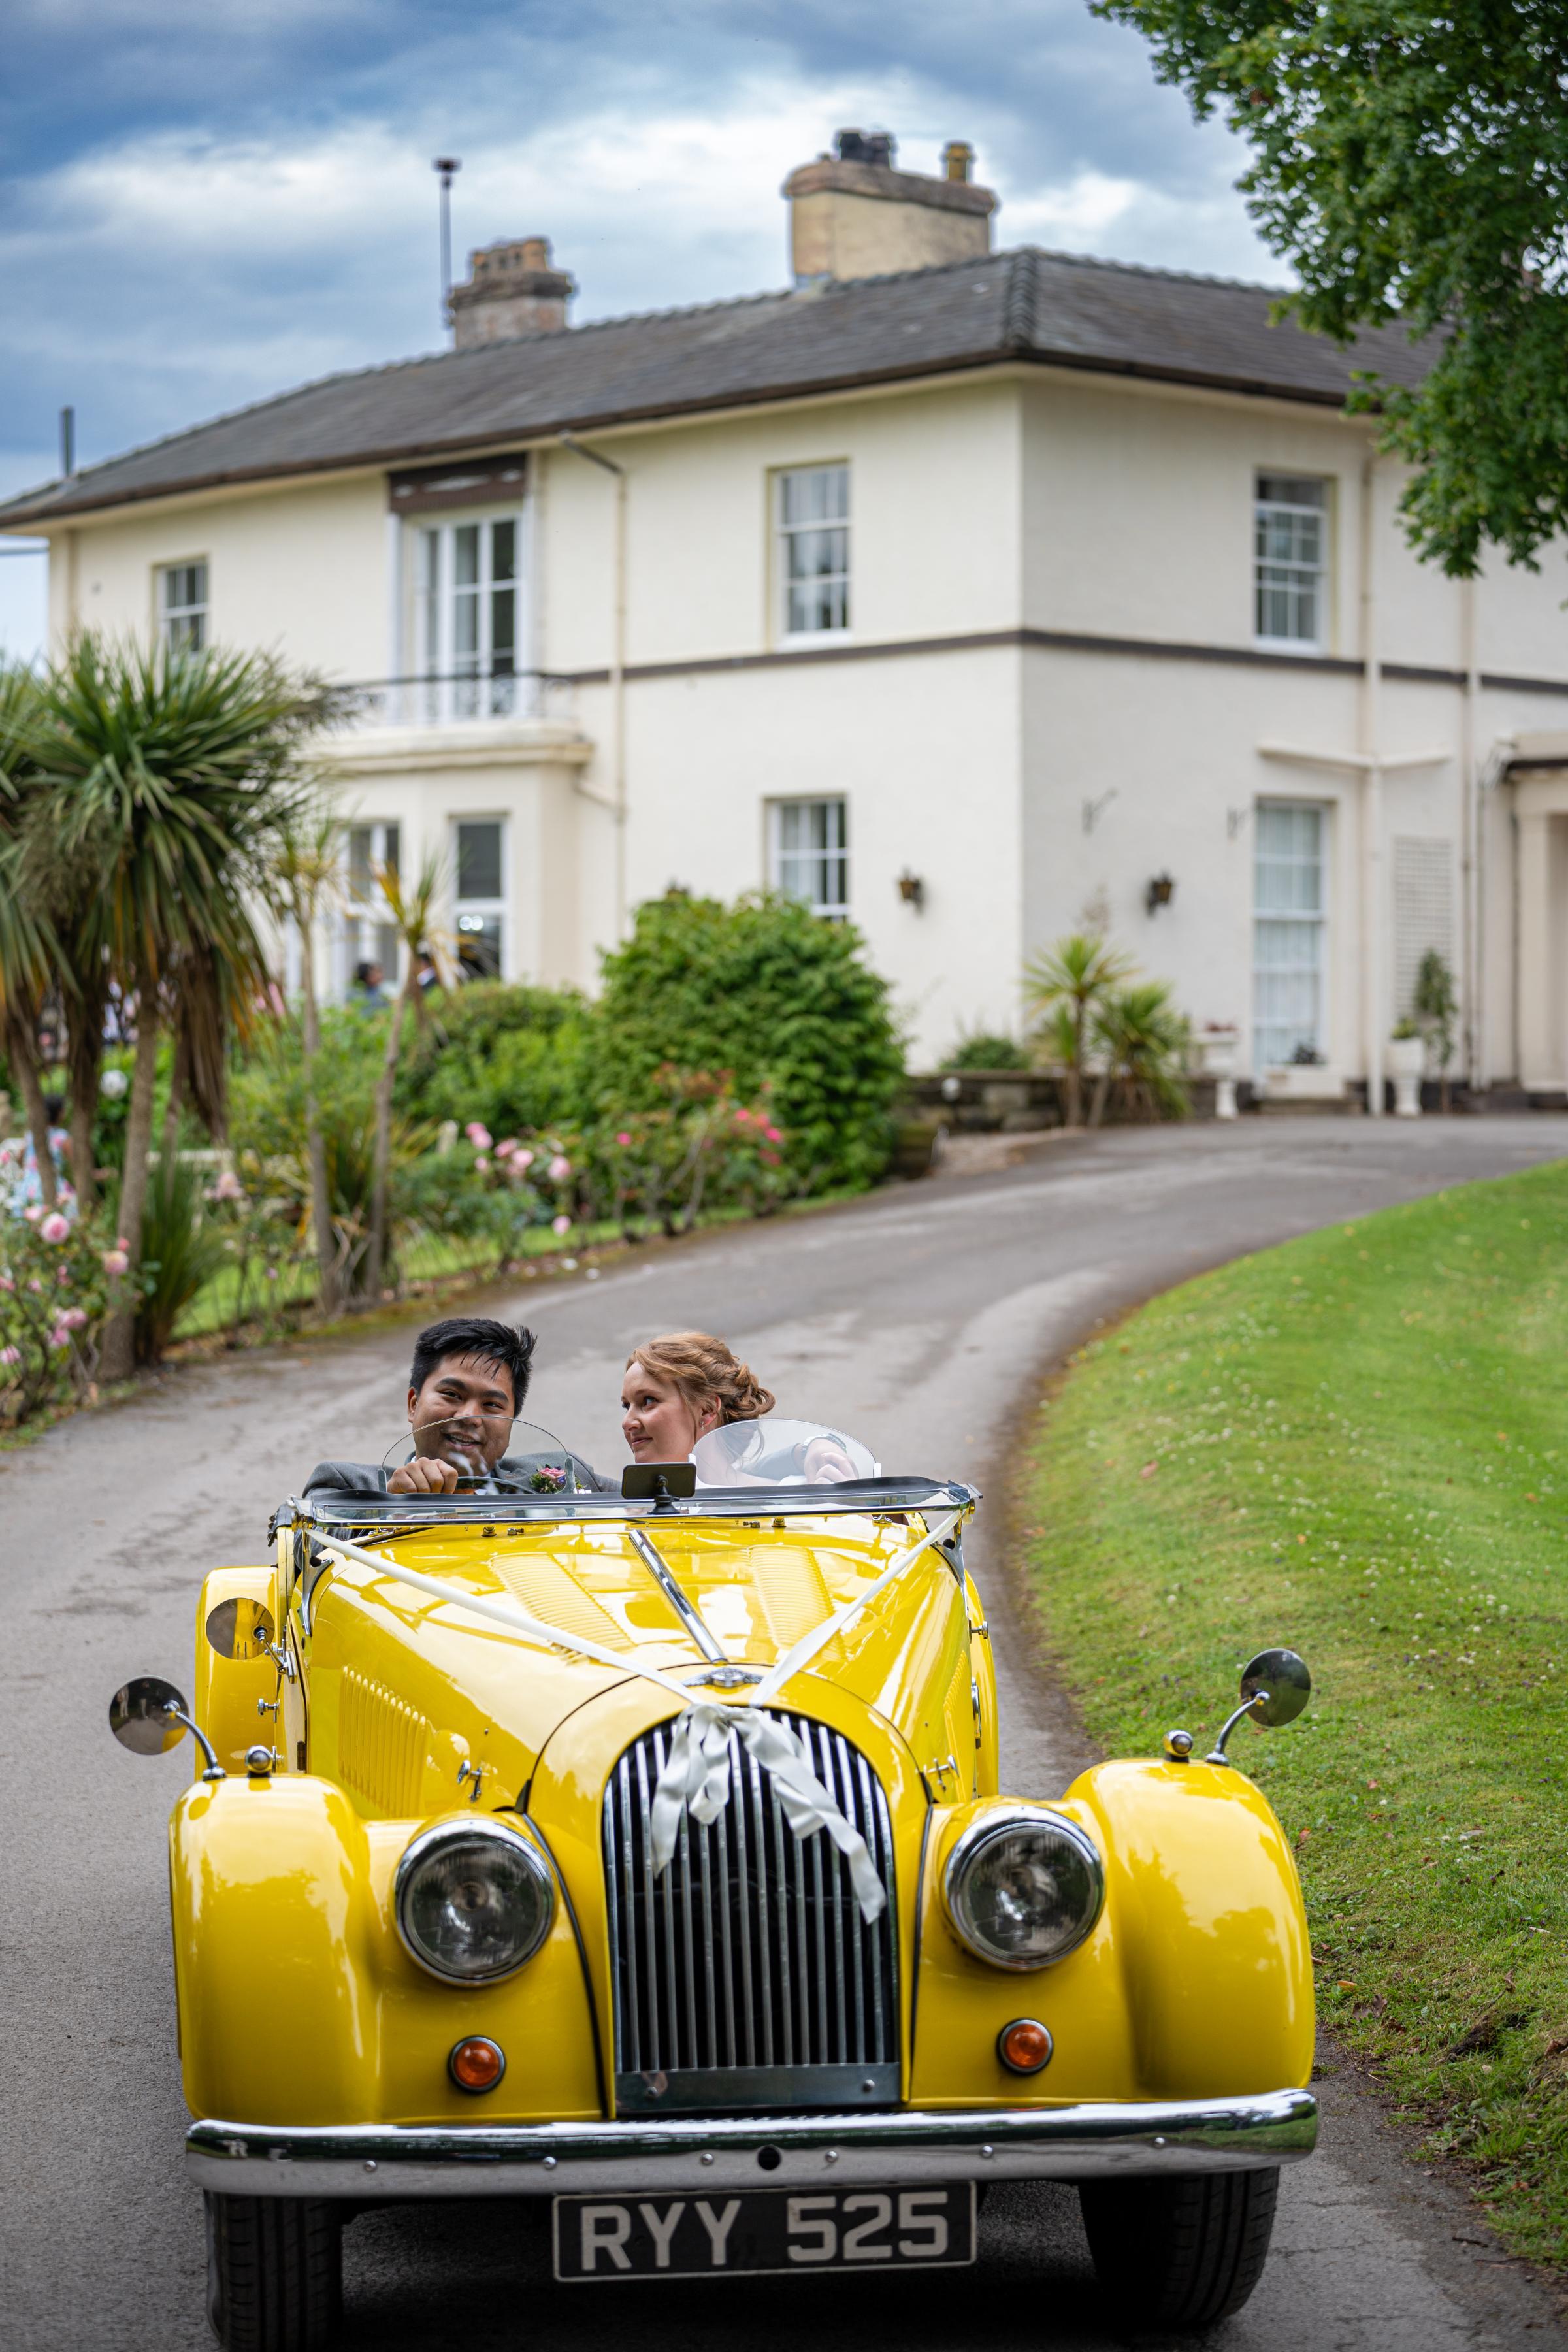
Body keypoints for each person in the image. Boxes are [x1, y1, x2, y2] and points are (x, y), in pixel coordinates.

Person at [304, 1315, 606, 1495]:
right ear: (413, 1404)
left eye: (491, 1404)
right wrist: (392, 1507)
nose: (469, 1417)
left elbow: (649, 1500)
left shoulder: (564, 1473)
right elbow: (313, 1542)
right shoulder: (347, 1485)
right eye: (452, 1395)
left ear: (513, 1419)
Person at [620, 1332, 775, 1463]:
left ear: (707, 1410)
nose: (626, 1423)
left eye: (648, 1401)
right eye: (627, 1406)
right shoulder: (612, 1498)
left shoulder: (784, 1494)